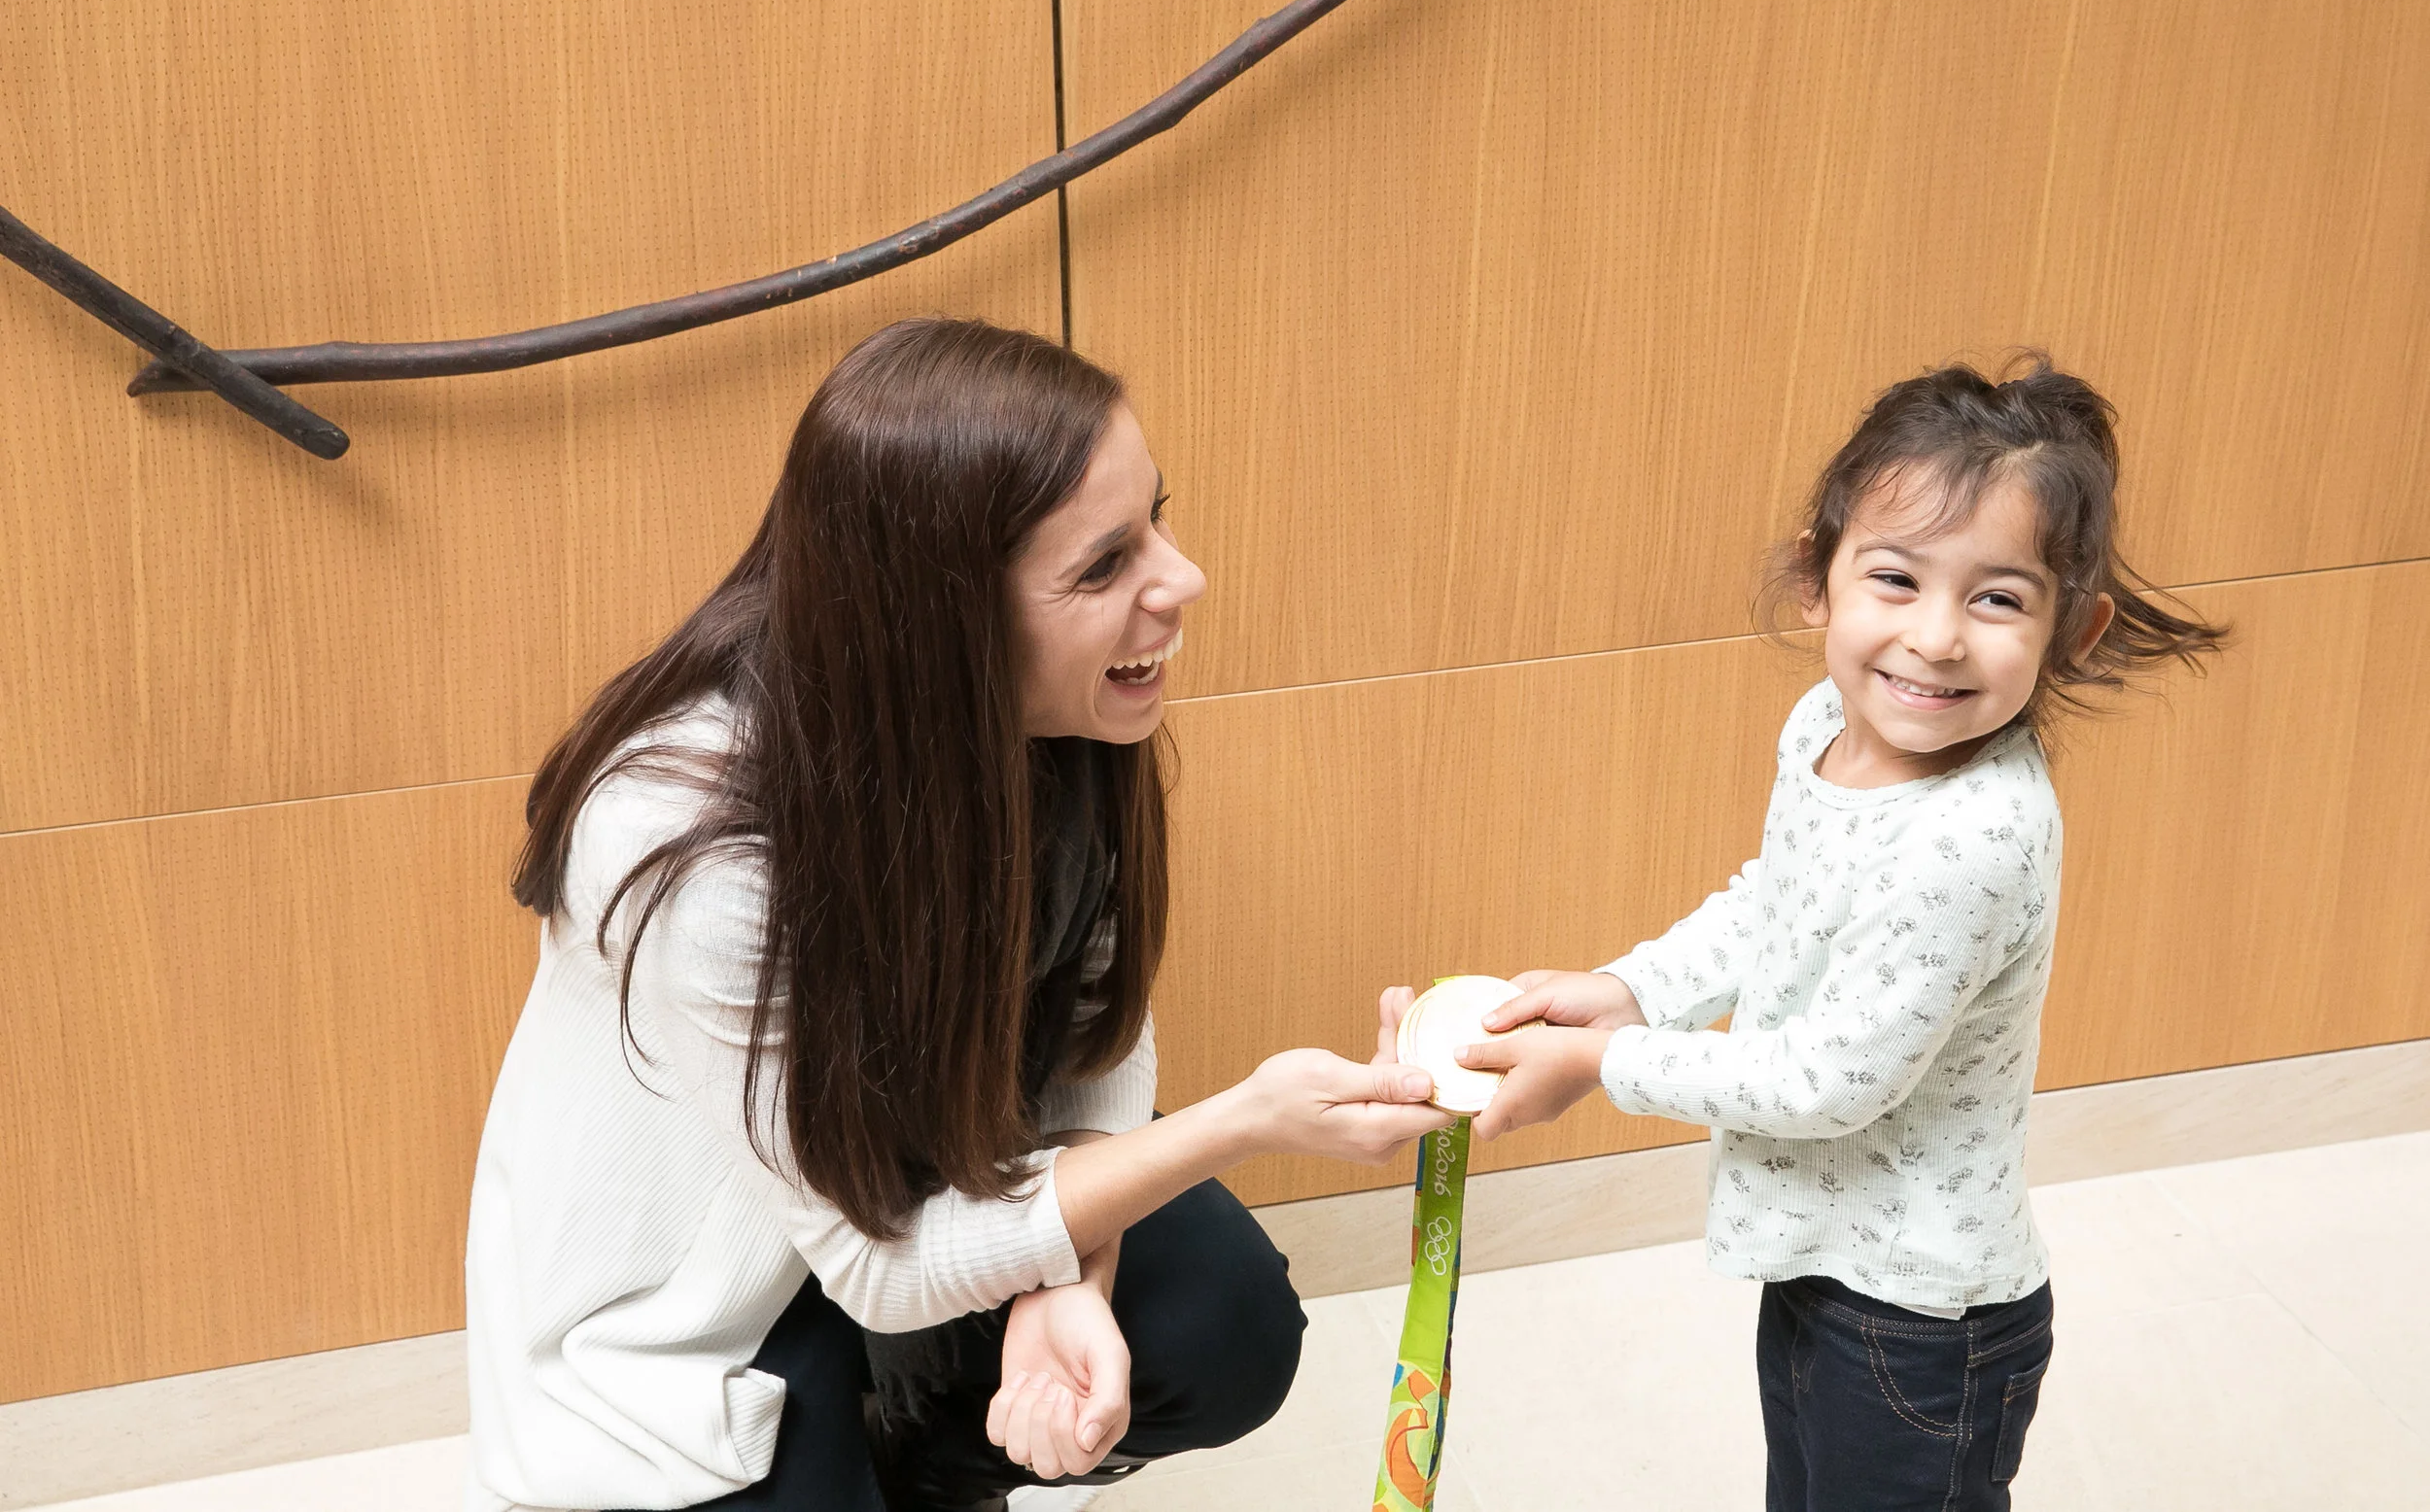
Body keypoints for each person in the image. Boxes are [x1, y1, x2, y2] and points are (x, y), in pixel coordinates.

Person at [465, 318, 1451, 1512]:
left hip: (913, 1209)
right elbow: (881, 1267)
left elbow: (1097, 1034)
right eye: (1102, 566)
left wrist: (1068, 1280)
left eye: (1158, 519)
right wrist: (1245, 1117)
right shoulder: (689, 838)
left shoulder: (1064, 716)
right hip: (718, 1321)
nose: (1179, 580)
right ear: (943, 621)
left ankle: (925, 1461)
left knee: (1222, 1321)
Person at [1402, 358, 2227, 1511]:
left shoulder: (1972, 836)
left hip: (1922, 1318)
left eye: (1996, 597)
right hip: (1818, 1252)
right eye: (1895, 578)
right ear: (1817, 578)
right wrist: (1633, 988)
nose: (1934, 637)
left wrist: (1601, 1059)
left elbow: (1829, 1079)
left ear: (2072, 627)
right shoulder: (1827, 724)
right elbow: (1773, 896)